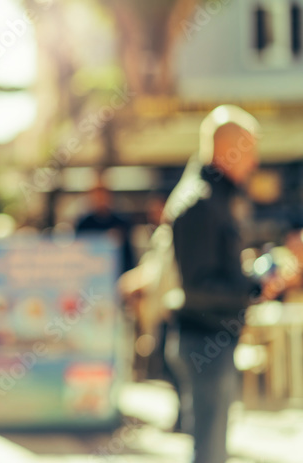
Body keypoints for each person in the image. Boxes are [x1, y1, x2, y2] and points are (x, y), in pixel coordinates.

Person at [163, 105, 283, 463]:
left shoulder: (215, 197)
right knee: (210, 451)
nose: (255, 160)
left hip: (210, 337)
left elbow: (213, 272)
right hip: (204, 340)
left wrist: (253, 278)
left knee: (213, 445)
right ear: (225, 147)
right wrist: (251, 289)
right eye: (249, 148)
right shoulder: (200, 201)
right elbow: (198, 286)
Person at [76, 180, 135, 276]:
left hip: (116, 276)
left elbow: (128, 257)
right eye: (96, 194)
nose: (100, 198)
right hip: (91, 277)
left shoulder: (121, 223)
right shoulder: (83, 224)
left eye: (103, 194)